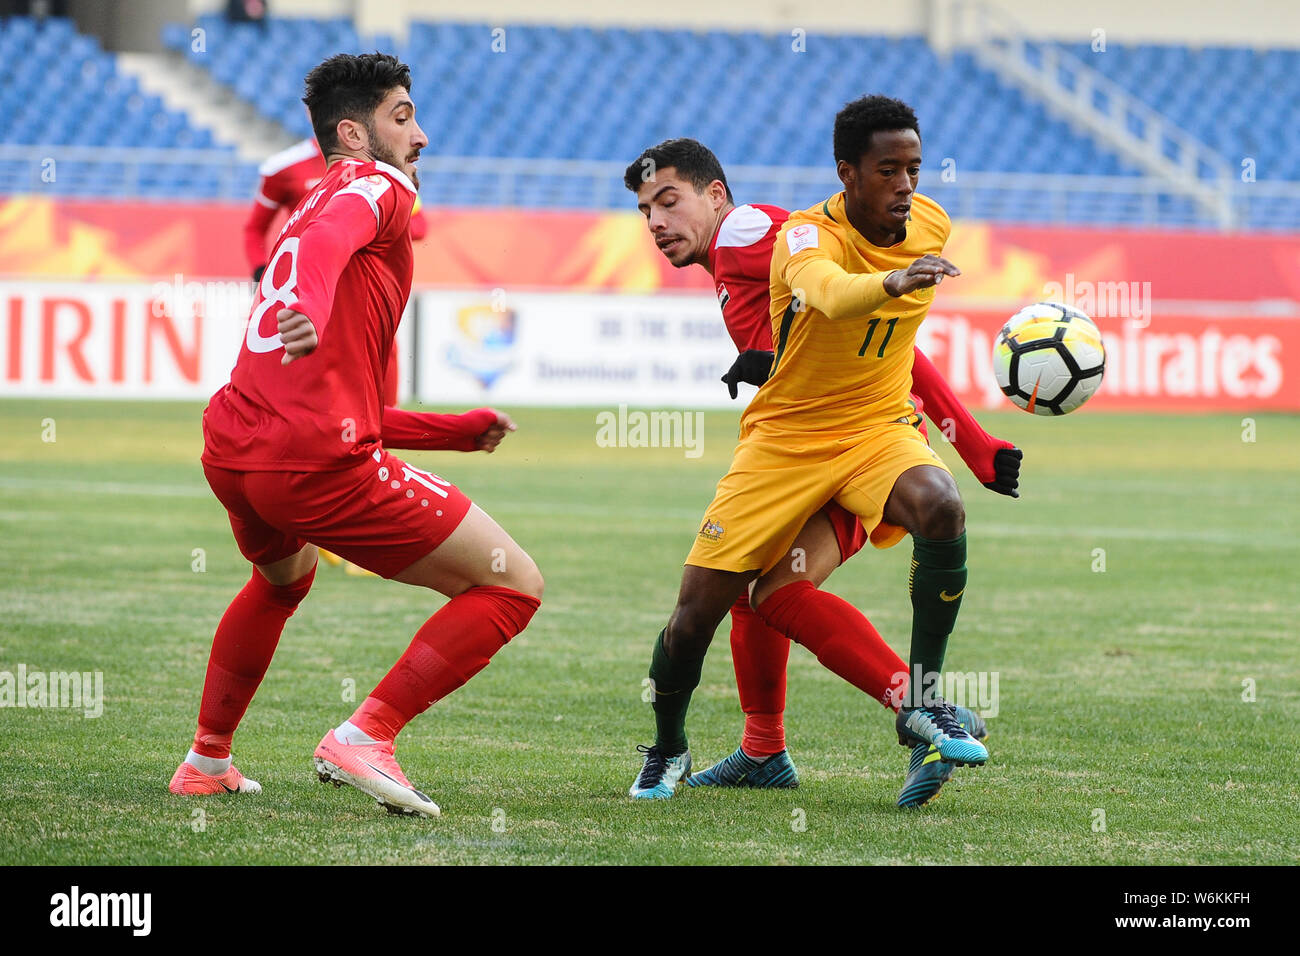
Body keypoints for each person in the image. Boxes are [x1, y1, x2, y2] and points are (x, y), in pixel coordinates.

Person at [169, 53, 543, 818]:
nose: (422, 135)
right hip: (308, 464)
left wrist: (456, 432)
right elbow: (326, 251)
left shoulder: (311, 199)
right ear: (354, 133)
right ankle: (366, 735)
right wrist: (301, 302)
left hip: (236, 449)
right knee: (511, 582)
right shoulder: (374, 185)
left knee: (282, 582)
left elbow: (356, 408)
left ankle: (206, 761)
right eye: (403, 117)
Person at [624, 138, 1019, 807]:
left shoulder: (749, 231)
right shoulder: (731, 262)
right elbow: (858, 332)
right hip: (806, 446)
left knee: (739, 605)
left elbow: (847, 299)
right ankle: (767, 749)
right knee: (767, 592)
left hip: (858, 443)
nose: (657, 222)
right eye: (644, 211)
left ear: (716, 197)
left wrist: (974, 444)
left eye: (669, 201)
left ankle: (916, 706)